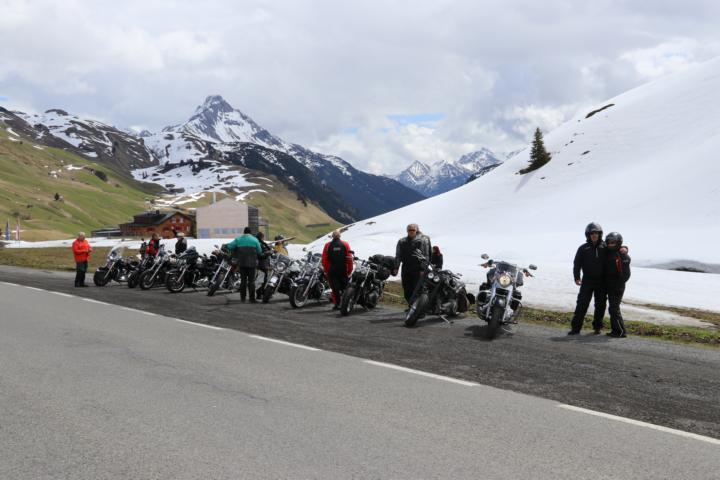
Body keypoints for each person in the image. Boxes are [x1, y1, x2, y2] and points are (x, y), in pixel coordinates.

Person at [569, 222, 607, 335]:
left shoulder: (605, 247)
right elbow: (577, 264)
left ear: (600, 234)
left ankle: (597, 327)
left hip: (602, 282)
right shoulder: (583, 248)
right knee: (581, 304)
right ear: (588, 235)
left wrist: (624, 249)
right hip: (587, 281)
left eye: (596, 233)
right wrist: (577, 277)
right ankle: (575, 329)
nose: (594, 235)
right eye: (591, 233)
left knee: (600, 306)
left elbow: (617, 251)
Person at [393, 223, 432, 305]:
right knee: (406, 288)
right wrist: (396, 267)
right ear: (407, 231)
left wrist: (423, 269)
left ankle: (417, 308)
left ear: (416, 230)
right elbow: (398, 255)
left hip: (418, 268)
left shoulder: (423, 240)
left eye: (413, 230)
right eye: (409, 230)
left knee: (417, 289)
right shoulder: (402, 241)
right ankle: (411, 306)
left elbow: (426, 255)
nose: (411, 231)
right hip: (406, 267)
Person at [604, 232, 631, 338]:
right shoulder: (609, 252)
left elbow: (626, 275)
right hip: (610, 286)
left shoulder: (622, 255)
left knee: (614, 309)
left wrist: (617, 284)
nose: (610, 244)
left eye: (613, 242)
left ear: (618, 243)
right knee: (613, 309)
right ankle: (616, 330)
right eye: (609, 242)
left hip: (617, 287)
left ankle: (620, 331)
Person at [225, 227, 263, 303]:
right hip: (252, 264)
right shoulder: (255, 240)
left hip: (242, 263)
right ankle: (252, 299)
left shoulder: (238, 239)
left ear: (244, 232)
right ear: (250, 233)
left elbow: (229, 247)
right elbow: (259, 251)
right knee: (251, 281)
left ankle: (243, 298)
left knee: (243, 281)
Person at [321, 230, 354, 310]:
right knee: (345, 287)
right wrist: (350, 269)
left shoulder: (327, 245)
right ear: (340, 236)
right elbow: (349, 258)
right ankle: (345, 303)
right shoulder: (345, 244)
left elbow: (324, 259)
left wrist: (326, 270)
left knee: (335, 288)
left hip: (332, 269)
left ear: (332, 236)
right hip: (343, 269)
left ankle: (337, 304)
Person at [255, 231, 273, 296]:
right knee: (261, 280)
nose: (263, 238)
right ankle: (259, 294)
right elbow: (260, 255)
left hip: (263, 264)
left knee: (263, 280)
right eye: (263, 237)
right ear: (261, 237)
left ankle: (262, 293)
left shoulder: (260, 243)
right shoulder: (259, 244)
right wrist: (268, 253)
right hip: (262, 265)